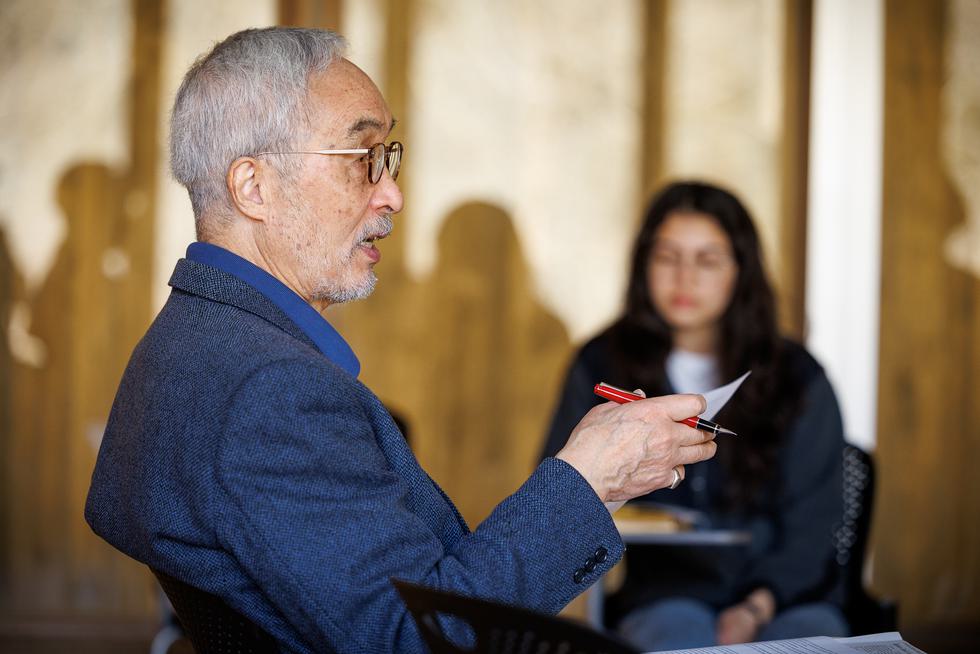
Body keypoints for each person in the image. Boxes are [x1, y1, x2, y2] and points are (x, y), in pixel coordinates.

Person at [84, 28, 717, 653]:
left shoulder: (185, 339)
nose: (393, 193)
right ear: (254, 187)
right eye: (362, 161)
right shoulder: (272, 391)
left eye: (388, 159)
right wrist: (590, 480)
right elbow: (414, 640)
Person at [541, 181, 849, 650]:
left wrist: (755, 608)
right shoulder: (603, 364)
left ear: (741, 272)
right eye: (667, 257)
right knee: (678, 636)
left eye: (707, 261)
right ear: (644, 265)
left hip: (789, 597)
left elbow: (817, 521)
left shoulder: (797, 377)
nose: (685, 279)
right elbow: (558, 493)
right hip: (664, 593)